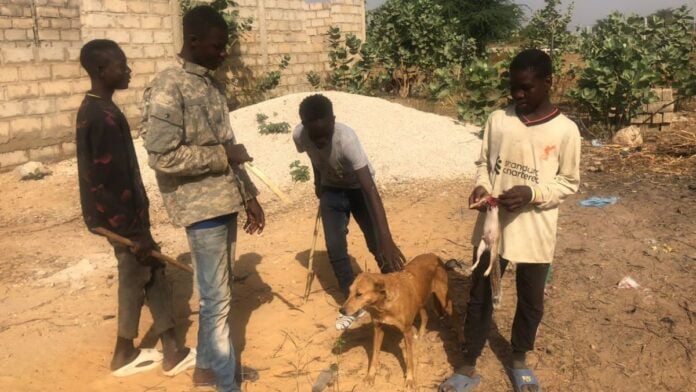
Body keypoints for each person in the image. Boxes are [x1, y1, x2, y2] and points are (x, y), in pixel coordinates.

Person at [439, 49, 581, 392]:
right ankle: (468, 363)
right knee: (480, 296)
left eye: (526, 88)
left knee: (531, 299)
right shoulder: (498, 120)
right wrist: (481, 187)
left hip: (536, 231)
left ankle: (518, 359)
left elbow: (568, 182)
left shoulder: (565, 131)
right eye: (513, 88)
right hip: (493, 227)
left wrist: (531, 194)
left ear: (548, 83)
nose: (518, 95)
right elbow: (485, 164)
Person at [141, 6, 265, 392]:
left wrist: (249, 196)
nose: (223, 53)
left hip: (225, 202)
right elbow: (162, 157)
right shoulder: (168, 86)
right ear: (193, 41)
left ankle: (209, 370)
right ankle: (227, 384)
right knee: (217, 303)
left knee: (219, 295)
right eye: (218, 45)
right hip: (201, 210)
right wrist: (222, 156)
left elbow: (226, 145)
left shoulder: (212, 86)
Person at [75, 39, 194, 378]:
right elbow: (107, 179)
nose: (128, 71)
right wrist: (134, 231)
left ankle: (166, 348)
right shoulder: (102, 117)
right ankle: (129, 351)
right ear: (101, 70)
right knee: (138, 274)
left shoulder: (98, 109)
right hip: (122, 221)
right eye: (120, 66)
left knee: (149, 273)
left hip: (118, 218)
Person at [293, 94, 406, 330]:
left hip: (358, 190)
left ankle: (398, 292)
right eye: (316, 136)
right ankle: (354, 306)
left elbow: (370, 188)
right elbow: (314, 157)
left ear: (333, 121)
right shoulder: (300, 135)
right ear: (304, 127)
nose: (321, 140)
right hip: (331, 190)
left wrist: (387, 238)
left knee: (378, 245)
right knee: (335, 248)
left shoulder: (347, 140)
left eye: (325, 134)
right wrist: (318, 182)